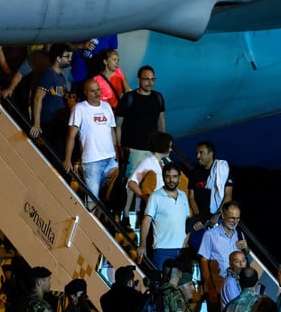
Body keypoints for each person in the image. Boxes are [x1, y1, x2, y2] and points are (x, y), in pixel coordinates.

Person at [116, 65, 167, 215]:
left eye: (152, 79)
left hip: (152, 150)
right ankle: (125, 214)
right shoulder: (129, 98)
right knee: (132, 182)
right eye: (146, 79)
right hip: (134, 148)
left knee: (152, 183)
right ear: (139, 79)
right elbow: (118, 123)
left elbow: (161, 120)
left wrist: (163, 145)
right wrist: (119, 146)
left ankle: (141, 214)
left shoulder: (158, 97)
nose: (149, 83)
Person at [63, 78, 120, 199]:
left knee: (111, 196)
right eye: (93, 91)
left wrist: (116, 153)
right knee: (93, 199)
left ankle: (104, 217)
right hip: (92, 161)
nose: (97, 93)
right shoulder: (79, 108)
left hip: (110, 159)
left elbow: (111, 131)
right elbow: (71, 136)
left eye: (98, 90)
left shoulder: (106, 106)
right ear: (86, 93)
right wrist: (67, 159)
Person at [138, 163, 191, 269]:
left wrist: (185, 242)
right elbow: (146, 221)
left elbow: (188, 220)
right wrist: (142, 244)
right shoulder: (155, 196)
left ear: (179, 178)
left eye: (175, 177)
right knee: (161, 283)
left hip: (182, 251)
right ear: (163, 178)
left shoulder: (183, 195)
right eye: (168, 176)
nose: (171, 180)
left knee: (182, 284)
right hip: (162, 250)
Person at [30, 44, 74, 160]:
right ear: (58, 59)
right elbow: (38, 98)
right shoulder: (49, 75)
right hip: (49, 122)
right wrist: (37, 124)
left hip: (58, 122)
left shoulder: (61, 77)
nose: (69, 59)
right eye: (66, 57)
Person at [187, 141, 234, 246]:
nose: (198, 156)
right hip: (200, 219)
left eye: (201, 153)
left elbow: (228, 195)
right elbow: (191, 197)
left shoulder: (222, 169)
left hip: (219, 219)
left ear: (210, 153)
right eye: (197, 153)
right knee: (197, 245)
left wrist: (217, 215)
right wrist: (198, 217)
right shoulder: (195, 173)